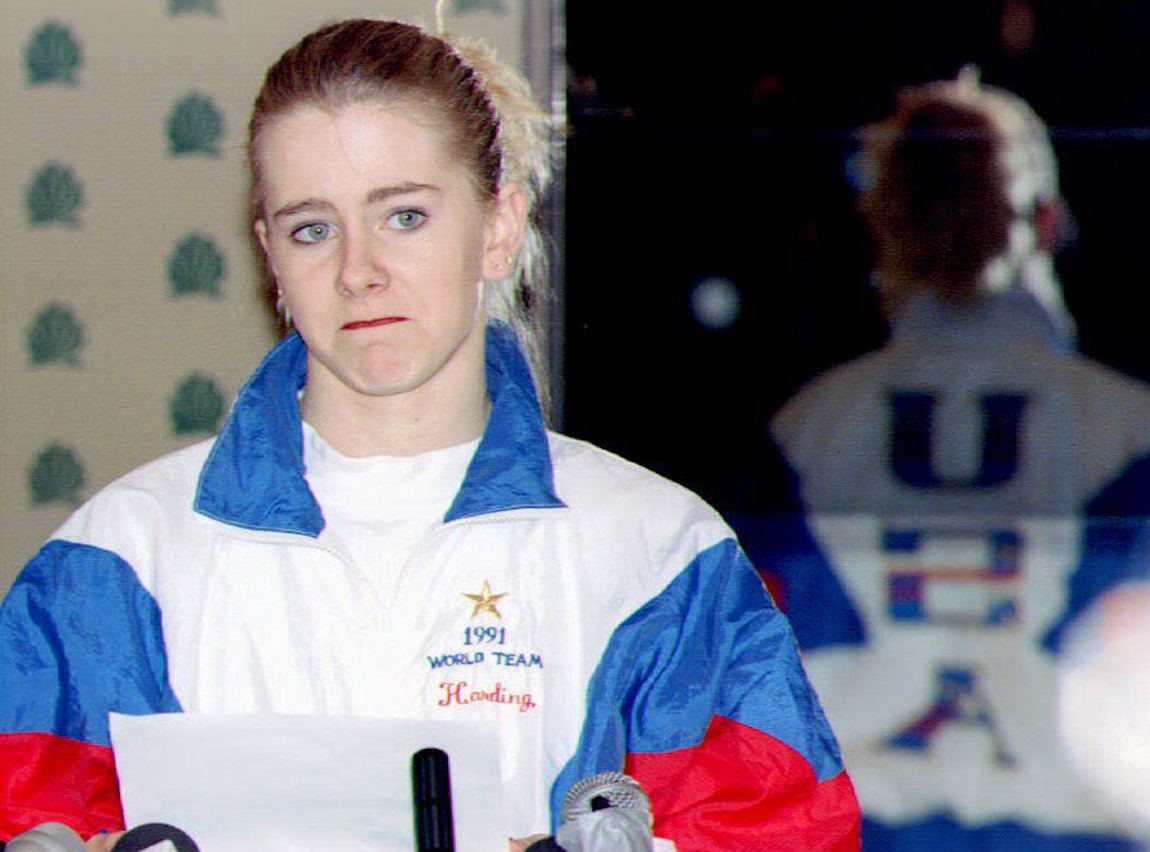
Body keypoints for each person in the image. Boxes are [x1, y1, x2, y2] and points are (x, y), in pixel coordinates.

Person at [0, 18, 859, 851]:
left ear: (498, 228)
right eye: (312, 229)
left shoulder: (654, 550)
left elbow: (786, 830)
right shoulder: (122, 557)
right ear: (270, 256)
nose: (359, 270)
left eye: (403, 215)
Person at [764, 68, 1150, 849]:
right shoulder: (1127, 426)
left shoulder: (808, 427)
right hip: (1074, 827)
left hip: (870, 826)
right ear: (1044, 222)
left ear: (887, 227)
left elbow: (772, 677)